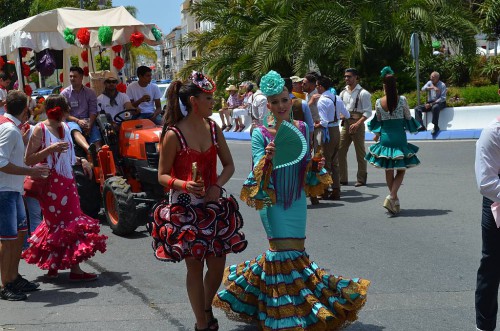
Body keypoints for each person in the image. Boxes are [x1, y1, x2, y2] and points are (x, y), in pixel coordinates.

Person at [214, 70, 369, 330]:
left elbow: (304, 163)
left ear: (290, 100)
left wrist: (314, 164)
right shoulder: (259, 133)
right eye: (274, 102)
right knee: (280, 254)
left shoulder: (301, 127)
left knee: (296, 253)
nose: (281, 105)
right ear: (268, 106)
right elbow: (254, 176)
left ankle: (296, 307)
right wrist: (268, 159)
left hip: (296, 200)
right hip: (272, 201)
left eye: (284, 100)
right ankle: (283, 313)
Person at [152, 71, 246, 331]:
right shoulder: (173, 134)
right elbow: (162, 175)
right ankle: (201, 323)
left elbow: (228, 166)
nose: (213, 102)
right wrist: (184, 184)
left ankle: (206, 305)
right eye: (208, 98)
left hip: (213, 207)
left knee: (217, 265)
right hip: (185, 208)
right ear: (194, 101)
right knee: (194, 266)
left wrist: (217, 185)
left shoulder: (214, 128)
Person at [22, 94, 107, 281]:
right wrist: (50, 150)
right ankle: (75, 270)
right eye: (67, 110)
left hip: (67, 182)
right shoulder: (40, 129)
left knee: (63, 223)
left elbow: (67, 157)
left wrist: (82, 159)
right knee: (66, 224)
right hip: (51, 185)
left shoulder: (65, 128)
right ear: (60, 111)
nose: (69, 113)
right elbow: (28, 159)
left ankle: (54, 266)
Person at [0, 90, 49, 301]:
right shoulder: (9, 129)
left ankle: (13, 277)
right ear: (25, 109)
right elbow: (0, 162)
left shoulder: (12, 128)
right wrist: (31, 171)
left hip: (13, 191)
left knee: (19, 236)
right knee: (9, 240)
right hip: (5, 192)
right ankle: (6, 284)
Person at [365, 67, 421, 215]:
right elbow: (408, 118)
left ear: (383, 86)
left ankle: (394, 201)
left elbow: (378, 121)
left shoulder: (378, 102)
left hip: (385, 138)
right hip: (399, 137)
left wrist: (377, 135)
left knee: (388, 168)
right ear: (395, 85)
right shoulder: (402, 100)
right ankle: (391, 196)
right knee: (401, 169)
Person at [474, 76, 500, 331]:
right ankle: (485, 325)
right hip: (497, 202)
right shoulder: (493, 132)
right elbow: (486, 183)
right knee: (492, 265)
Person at [313, 75, 350, 201]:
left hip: (327, 131)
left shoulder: (322, 100)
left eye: (317, 86)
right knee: (335, 162)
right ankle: (336, 189)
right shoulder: (337, 98)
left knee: (324, 161)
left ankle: (323, 190)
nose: (316, 88)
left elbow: (323, 122)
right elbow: (347, 114)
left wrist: (316, 124)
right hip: (336, 130)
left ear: (321, 87)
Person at [339, 68, 372, 187]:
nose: (346, 79)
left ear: (356, 77)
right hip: (346, 124)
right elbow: (340, 108)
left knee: (360, 152)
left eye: (349, 76)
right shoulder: (342, 93)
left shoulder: (363, 93)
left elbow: (368, 112)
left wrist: (358, 124)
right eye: (345, 76)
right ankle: (342, 178)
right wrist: (341, 115)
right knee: (340, 150)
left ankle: (361, 179)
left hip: (357, 123)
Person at [60, 66, 100, 154]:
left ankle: (99, 152)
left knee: (95, 132)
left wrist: (90, 124)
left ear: (81, 77)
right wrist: (77, 121)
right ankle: (89, 149)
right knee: (75, 129)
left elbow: (93, 111)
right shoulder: (64, 94)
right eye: (70, 76)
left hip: (87, 120)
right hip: (72, 121)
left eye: (75, 76)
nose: (72, 78)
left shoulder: (90, 92)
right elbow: (64, 113)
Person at [414, 71, 447, 135]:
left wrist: (431, 104)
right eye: (431, 76)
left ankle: (436, 126)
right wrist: (432, 87)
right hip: (430, 103)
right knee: (417, 108)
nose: (431, 78)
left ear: (437, 78)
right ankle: (421, 126)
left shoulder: (442, 85)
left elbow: (443, 98)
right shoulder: (429, 82)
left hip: (440, 102)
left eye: (433, 77)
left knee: (435, 107)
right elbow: (423, 89)